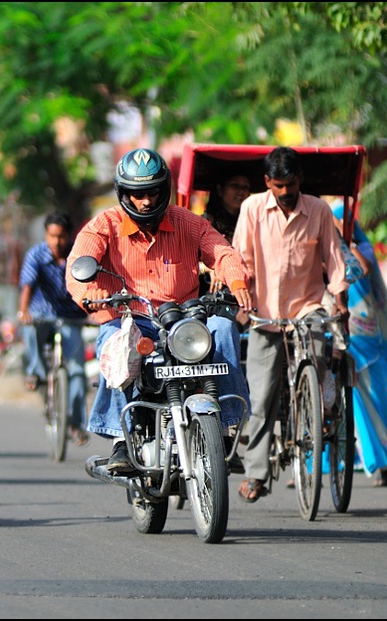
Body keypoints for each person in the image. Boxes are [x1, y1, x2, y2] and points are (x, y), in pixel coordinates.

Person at [65, 148, 253, 475]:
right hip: (131, 320)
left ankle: (224, 429)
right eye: (137, 195)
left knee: (224, 329)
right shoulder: (103, 226)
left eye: (152, 192)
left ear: (163, 190)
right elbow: (77, 265)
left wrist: (236, 280)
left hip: (185, 321)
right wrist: (89, 292)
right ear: (124, 194)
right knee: (117, 342)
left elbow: (222, 251)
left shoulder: (187, 222)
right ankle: (121, 441)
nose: (146, 202)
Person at [232, 146, 348, 503]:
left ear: (301, 180)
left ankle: (320, 410)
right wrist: (242, 299)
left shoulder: (318, 210)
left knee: (320, 354)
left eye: (291, 184)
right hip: (264, 313)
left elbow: (333, 257)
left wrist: (339, 297)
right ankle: (257, 474)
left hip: (306, 308)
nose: (285, 193)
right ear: (268, 182)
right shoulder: (252, 209)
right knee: (262, 400)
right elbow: (241, 259)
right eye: (278, 186)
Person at [331, 203, 387, 487]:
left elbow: (363, 269)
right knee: (349, 402)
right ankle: (368, 460)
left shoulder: (362, 249)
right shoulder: (325, 253)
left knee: (380, 403)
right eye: (335, 222)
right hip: (340, 335)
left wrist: (346, 242)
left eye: (344, 222)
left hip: (369, 340)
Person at [18, 211, 90, 445]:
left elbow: (90, 284)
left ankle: (77, 425)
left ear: (69, 236)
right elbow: (27, 284)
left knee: (78, 371)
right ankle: (36, 372)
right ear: (46, 234)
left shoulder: (78, 255)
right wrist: (23, 312)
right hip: (41, 316)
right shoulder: (36, 255)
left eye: (61, 237)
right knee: (30, 330)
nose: (56, 242)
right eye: (52, 236)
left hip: (71, 317)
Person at [200, 170, 252, 295]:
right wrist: (208, 269)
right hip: (210, 293)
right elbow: (187, 260)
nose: (241, 192)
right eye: (235, 186)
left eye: (245, 188)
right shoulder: (203, 223)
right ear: (220, 189)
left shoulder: (253, 222)